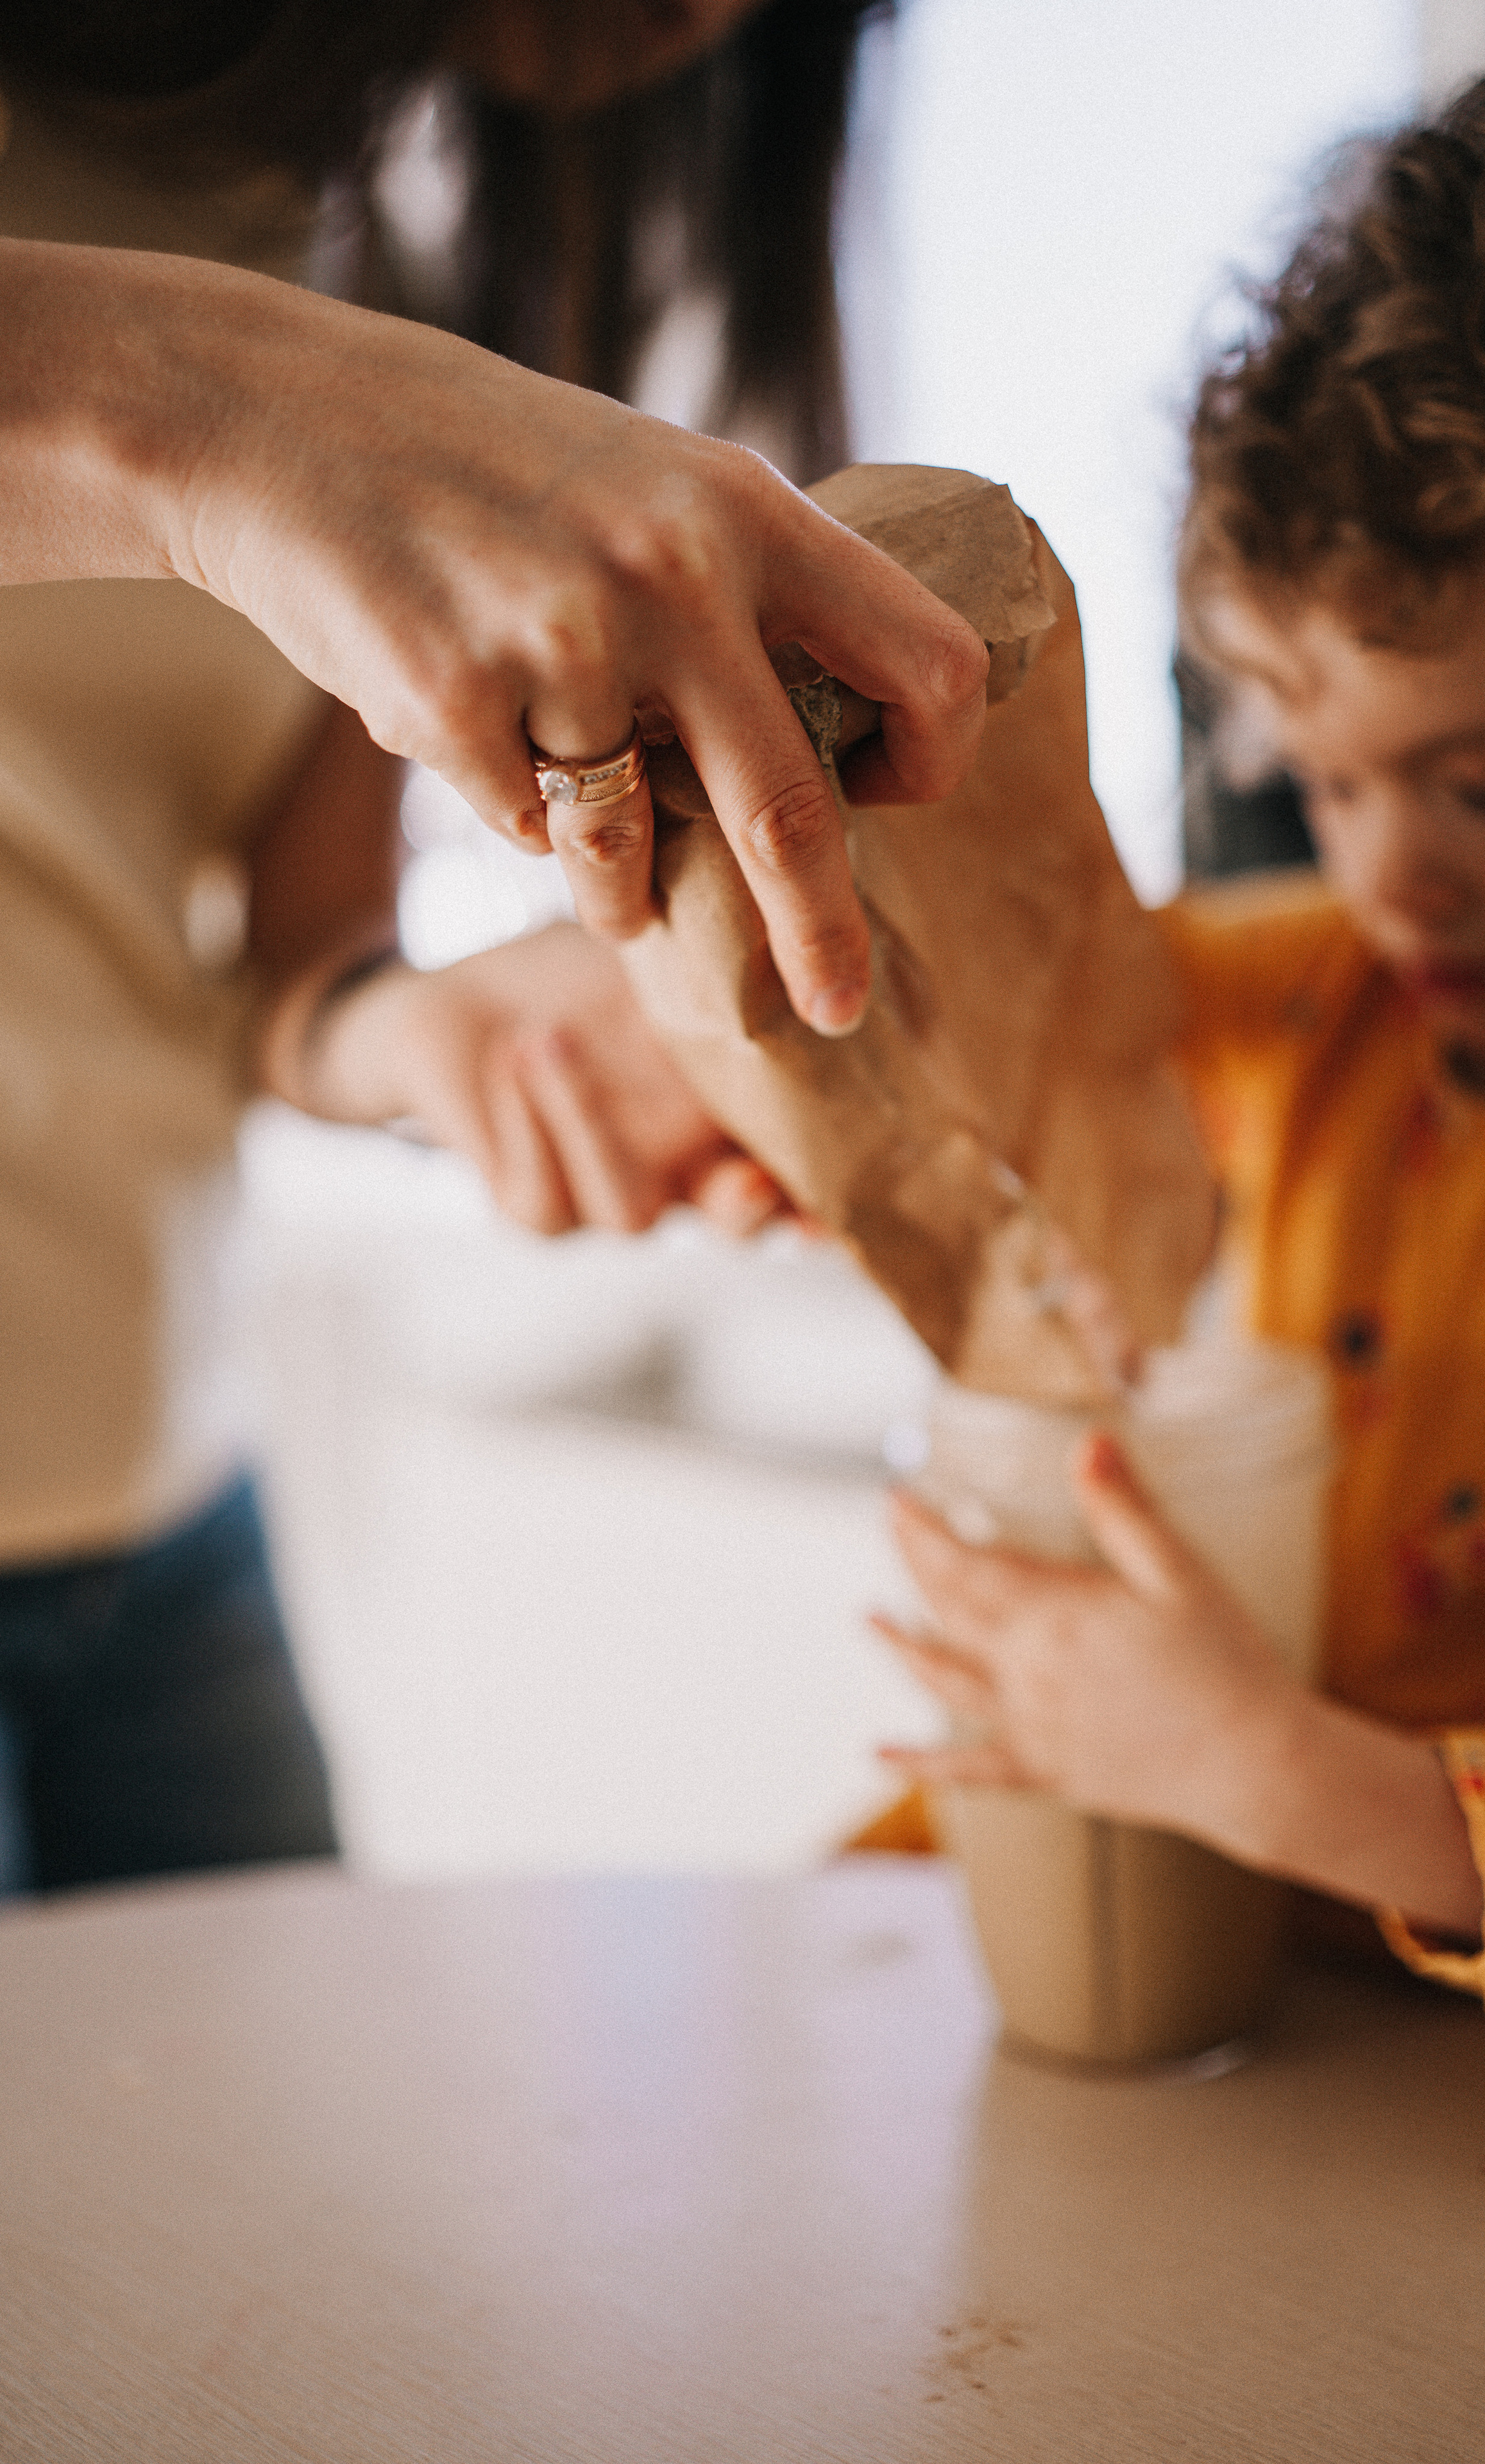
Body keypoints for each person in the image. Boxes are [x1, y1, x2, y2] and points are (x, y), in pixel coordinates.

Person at [0, 0, 987, 1892]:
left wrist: (448, 1030)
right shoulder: (282, 360)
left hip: (160, 1508)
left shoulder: (342, 252)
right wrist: (203, 408)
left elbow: (293, 972)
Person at [876, 67, 1485, 2053]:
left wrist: (1281, 1775)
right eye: (1323, 782)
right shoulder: (1316, 1001)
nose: (1392, 874)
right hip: (1226, 1991)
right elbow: (992, 998)